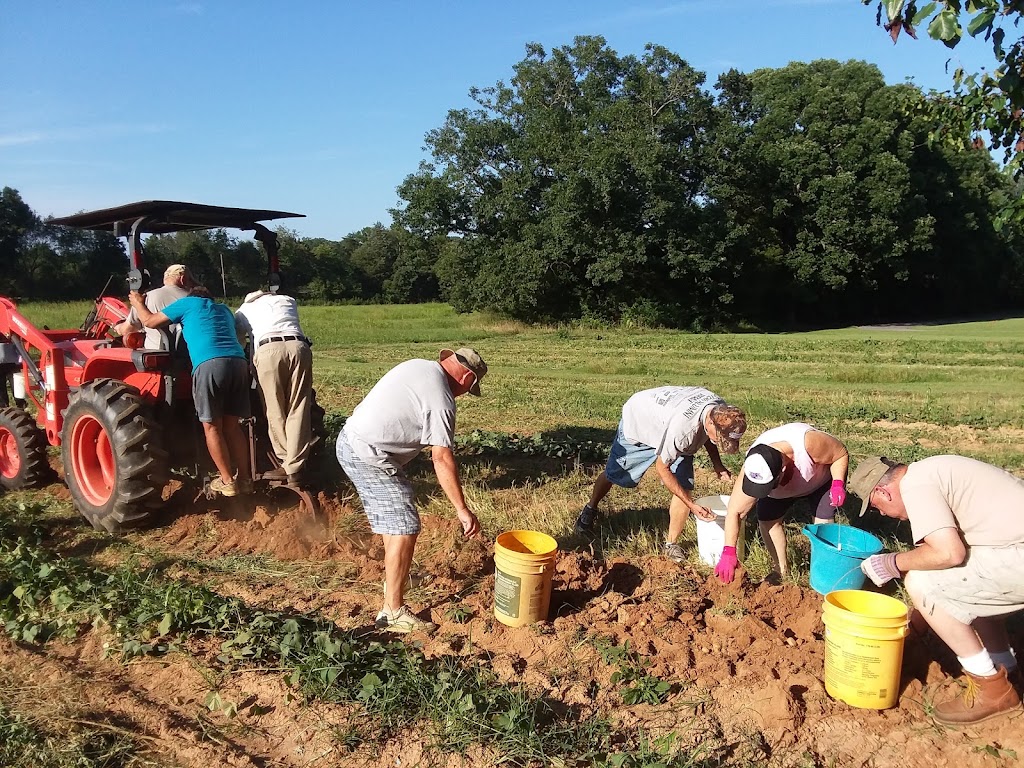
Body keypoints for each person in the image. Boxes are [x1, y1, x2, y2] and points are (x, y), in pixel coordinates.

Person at [850, 455, 1024, 726]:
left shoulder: (916, 487)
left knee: (921, 581)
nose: (883, 514)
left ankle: (992, 689)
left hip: (1017, 555)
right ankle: (1006, 671)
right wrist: (913, 629)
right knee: (963, 587)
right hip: (1011, 549)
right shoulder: (929, 472)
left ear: (883, 491)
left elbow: (949, 554)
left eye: (877, 507)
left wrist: (891, 562)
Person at [336, 348, 486, 634]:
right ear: (467, 378)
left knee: (396, 522)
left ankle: (396, 577)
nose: (464, 394)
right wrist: (462, 510)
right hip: (368, 454)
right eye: (471, 388)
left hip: (351, 440)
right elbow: (441, 458)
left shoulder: (419, 365)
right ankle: (392, 612)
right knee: (405, 527)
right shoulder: (441, 400)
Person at [574, 386, 747, 563]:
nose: (721, 442)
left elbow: (709, 437)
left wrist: (717, 465)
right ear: (710, 423)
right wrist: (691, 505)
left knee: (684, 485)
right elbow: (662, 468)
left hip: (668, 422)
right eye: (721, 439)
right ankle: (591, 507)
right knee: (615, 474)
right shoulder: (683, 432)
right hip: (641, 422)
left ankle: (671, 544)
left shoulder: (720, 410)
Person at [129, 285, 251, 497]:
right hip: (239, 364)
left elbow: (149, 321)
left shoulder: (188, 303)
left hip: (210, 364)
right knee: (232, 427)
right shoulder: (223, 310)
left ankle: (227, 480)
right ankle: (246, 479)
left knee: (212, 427)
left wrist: (138, 303)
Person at [715, 422, 849, 583]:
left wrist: (838, 484)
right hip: (785, 489)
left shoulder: (808, 444)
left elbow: (840, 453)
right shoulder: (755, 465)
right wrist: (729, 551)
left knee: (822, 525)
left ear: (782, 470)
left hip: (819, 481)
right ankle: (781, 571)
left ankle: (821, 574)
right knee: (767, 521)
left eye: (768, 486)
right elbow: (735, 512)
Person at [234, 289, 313, 485]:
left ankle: (286, 463)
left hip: (269, 351)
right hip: (299, 348)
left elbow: (239, 340)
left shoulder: (243, 310)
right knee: (299, 407)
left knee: (274, 409)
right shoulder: (287, 300)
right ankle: (296, 466)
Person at [115, 264, 195, 350]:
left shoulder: (143, 299)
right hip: (190, 355)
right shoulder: (196, 300)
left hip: (156, 355)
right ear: (183, 279)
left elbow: (128, 329)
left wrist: (118, 328)